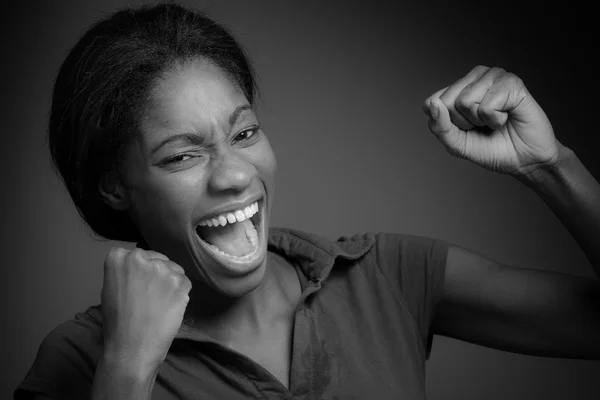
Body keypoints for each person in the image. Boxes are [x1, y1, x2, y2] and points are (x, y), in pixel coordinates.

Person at [14, 3, 600, 400]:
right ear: (114, 186)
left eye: (243, 134)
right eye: (182, 156)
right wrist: (127, 368)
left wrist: (551, 166)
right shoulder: (82, 357)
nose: (235, 175)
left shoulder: (385, 276)